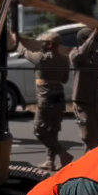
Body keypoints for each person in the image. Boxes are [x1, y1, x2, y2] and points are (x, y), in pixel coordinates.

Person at [17, 31, 73, 171]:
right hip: (59, 98)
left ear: (49, 44)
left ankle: (62, 153)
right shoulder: (65, 59)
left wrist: (16, 41)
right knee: (52, 131)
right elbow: (64, 80)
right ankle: (50, 161)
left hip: (46, 99)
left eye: (43, 42)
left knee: (39, 130)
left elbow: (24, 52)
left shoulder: (41, 57)